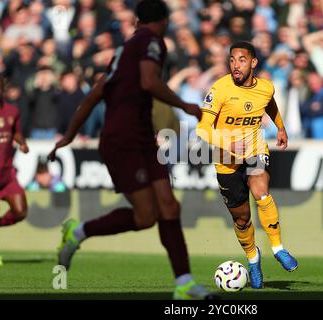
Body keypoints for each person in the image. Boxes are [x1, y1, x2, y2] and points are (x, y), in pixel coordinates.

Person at [48, 0, 216, 300]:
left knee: (169, 206)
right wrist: (186, 105)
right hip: (122, 140)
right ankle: (77, 232)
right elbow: (149, 81)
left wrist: (70, 135)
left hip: (141, 138)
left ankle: (185, 283)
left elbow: (93, 96)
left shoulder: (124, 50)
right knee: (145, 217)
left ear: (137, 21)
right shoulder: (153, 41)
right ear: (164, 21)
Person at [196, 41, 298, 289]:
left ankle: (278, 248)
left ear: (253, 62)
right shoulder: (220, 89)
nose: (235, 65)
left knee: (261, 192)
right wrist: (229, 146)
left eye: (241, 60)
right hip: (227, 161)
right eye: (232, 60)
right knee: (242, 219)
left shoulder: (265, 87)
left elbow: (269, 102)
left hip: (254, 150)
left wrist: (280, 127)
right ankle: (253, 258)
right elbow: (202, 129)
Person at [0, 74, 29, 266]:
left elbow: (15, 132)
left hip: (7, 175)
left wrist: (22, 143)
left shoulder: (12, 111)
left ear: (2, 89)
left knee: (20, 212)